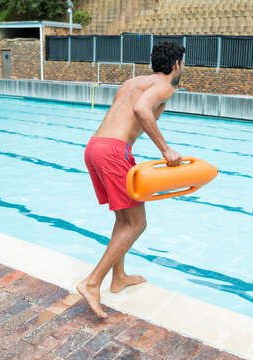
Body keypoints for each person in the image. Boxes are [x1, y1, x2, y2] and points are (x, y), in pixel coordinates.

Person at [77, 41, 185, 317]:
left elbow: (129, 115)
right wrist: (166, 149)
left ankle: (119, 277)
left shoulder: (133, 81)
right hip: (113, 152)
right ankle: (92, 283)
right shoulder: (165, 86)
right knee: (137, 223)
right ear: (177, 64)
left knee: (123, 219)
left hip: (95, 146)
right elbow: (141, 110)